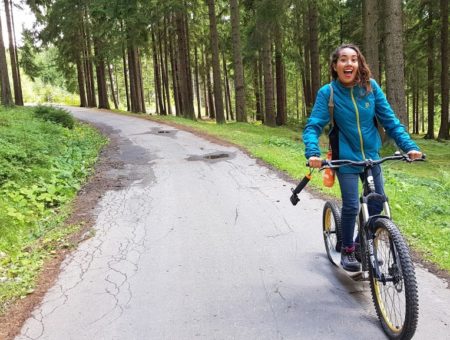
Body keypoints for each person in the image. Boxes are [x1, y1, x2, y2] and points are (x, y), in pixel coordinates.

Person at [302, 44, 422, 272]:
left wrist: (409, 147)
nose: (349, 64)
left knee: (377, 203)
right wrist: (313, 153)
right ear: (335, 66)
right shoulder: (328, 93)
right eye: (343, 60)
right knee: (349, 205)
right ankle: (347, 249)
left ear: (359, 64)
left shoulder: (370, 88)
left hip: (372, 158)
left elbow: (391, 122)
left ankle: (359, 245)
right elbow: (313, 126)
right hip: (345, 159)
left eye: (354, 60)